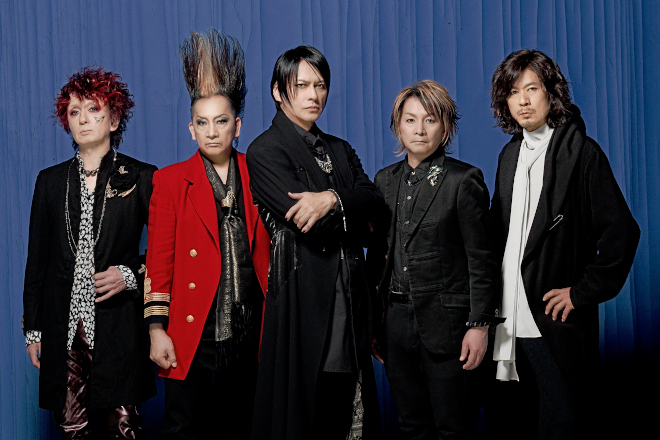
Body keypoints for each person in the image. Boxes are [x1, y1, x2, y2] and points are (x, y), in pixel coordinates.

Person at [488, 49, 640, 439]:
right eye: (513, 92)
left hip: (552, 322)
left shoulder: (582, 154)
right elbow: (498, 235)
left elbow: (622, 233)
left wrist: (582, 292)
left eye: (532, 89)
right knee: (514, 425)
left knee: (563, 425)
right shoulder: (509, 156)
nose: (523, 101)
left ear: (551, 93)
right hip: (506, 322)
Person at [246, 45, 384, 440]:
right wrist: (351, 210)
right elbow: (314, 227)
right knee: (308, 410)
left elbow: (376, 205)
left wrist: (331, 199)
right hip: (302, 295)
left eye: (320, 85)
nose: (313, 95)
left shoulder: (339, 148)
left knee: (349, 406)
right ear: (278, 91)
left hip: (351, 293)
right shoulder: (265, 150)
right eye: (301, 85)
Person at [144, 30, 270, 440]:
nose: (212, 131)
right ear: (191, 129)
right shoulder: (170, 181)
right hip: (192, 327)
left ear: (237, 126)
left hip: (251, 327)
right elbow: (159, 260)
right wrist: (156, 330)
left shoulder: (260, 173)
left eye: (221, 121)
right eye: (203, 123)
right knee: (183, 427)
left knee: (245, 427)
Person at [22, 67, 157, 439]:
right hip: (64, 327)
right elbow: (37, 262)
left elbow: (167, 250)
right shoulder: (50, 182)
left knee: (124, 427)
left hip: (120, 326)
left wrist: (129, 275)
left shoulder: (143, 177)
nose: (82, 119)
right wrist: (33, 330)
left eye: (93, 109)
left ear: (113, 119)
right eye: (74, 112)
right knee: (71, 428)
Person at [367, 80, 504, 440]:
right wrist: (374, 323)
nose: (420, 129)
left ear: (445, 128)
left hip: (449, 325)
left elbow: (482, 260)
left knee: (453, 428)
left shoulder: (463, 180)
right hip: (395, 323)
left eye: (430, 120)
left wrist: (479, 325)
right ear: (398, 126)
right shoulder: (384, 181)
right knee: (411, 426)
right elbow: (378, 257)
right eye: (410, 120)